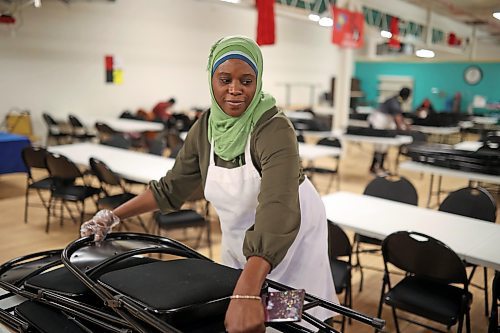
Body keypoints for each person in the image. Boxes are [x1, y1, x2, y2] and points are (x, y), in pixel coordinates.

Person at [80, 36, 337, 333]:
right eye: (225, 79)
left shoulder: (274, 128)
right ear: (211, 79)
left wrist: (247, 290)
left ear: (259, 81)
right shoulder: (206, 127)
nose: (235, 90)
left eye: (247, 80)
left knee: (287, 319)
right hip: (242, 235)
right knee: (237, 313)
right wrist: (113, 216)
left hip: (287, 233)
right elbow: (172, 188)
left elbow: (277, 209)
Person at [367, 87, 411, 175]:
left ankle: (380, 167)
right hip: (379, 122)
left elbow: (399, 117)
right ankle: (374, 168)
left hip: (385, 123)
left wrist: (405, 125)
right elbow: (398, 119)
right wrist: (403, 129)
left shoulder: (396, 100)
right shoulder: (395, 103)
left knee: (384, 146)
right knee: (379, 147)